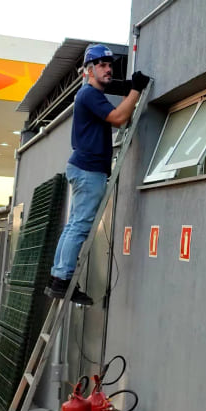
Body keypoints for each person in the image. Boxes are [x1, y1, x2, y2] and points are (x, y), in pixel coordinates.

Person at [45, 44, 150, 304]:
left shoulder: (90, 95)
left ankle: (58, 277)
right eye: (102, 65)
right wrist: (136, 90)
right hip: (88, 169)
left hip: (83, 167)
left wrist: (128, 93)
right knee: (79, 226)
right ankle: (62, 279)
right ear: (89, 70)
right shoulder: (89, 94)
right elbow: (118, 118)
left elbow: (117, 115)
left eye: (109, 65)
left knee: (73, 225)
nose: (108, 69)